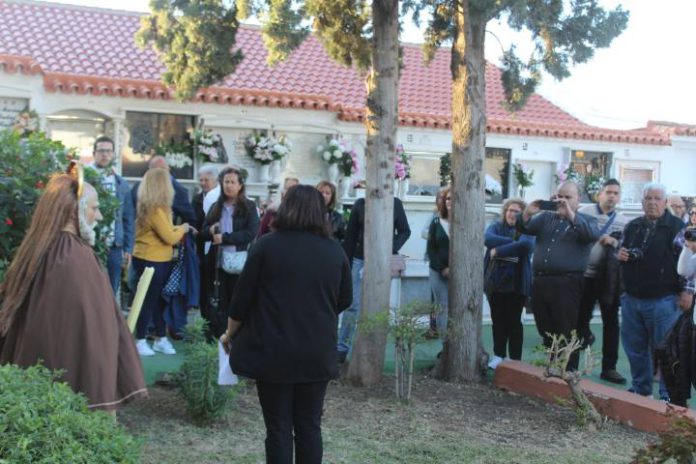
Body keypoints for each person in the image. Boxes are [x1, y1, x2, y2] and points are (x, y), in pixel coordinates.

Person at [221, 185, 352, 464]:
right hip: (316, 350)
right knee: (309, 426)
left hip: (273, 350)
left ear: (286, 208)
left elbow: (240, 301)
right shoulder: (334, 251)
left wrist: (229, 334)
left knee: (278, 428)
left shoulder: (266, 246)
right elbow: (344, 299)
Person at [0, 169, 147, 411]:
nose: (99, 216)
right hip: (61, 384)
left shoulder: (46, 246)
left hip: (34, 382)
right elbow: (88, 328)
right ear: (73, 211)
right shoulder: (72, 255)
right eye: (94, 208)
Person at [517, 181, 599, 370]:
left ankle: (568, 372)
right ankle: (552, 368)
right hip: (541, 281)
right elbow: (524, 228)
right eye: (559, 197)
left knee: (566, 330)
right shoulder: (546, 217)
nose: (561, 201)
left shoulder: (587, 220)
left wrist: (569, 213)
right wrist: (527, 213)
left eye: (567, 197)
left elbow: (589, 235)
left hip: (567, 283)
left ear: (578, 199)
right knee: (545, 327)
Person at [618, 182, 689, 401]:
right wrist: (620, 254)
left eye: (657, 198)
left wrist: (688, 291)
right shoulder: (632, 226)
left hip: (665, 300)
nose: (652, 203)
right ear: (642, 202)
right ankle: (641, 391)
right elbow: (621, 249)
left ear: (665, 202)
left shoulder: (677, 228)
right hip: (632, 298)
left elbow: (690, 261)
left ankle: (668, 396)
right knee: (635, 348)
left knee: (667, 351)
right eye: (648, 198)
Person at [337, 196, 411, 363]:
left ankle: (370, 349)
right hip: (358, 259)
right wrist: (346, 263)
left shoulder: (395, 203)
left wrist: (390, 248)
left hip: (382, 260)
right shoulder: (360, 204)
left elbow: (405, 231)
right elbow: (350, 236)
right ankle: (342, 348)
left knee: (377, 305)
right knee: (352, 305)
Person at [132, 167, 192, 356]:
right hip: (152, 259)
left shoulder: (154, 206)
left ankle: (160, 337)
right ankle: (140, 340)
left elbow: (166, 229)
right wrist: (183, 228)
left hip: (153, 258)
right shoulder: (155, 209)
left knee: (157, 300)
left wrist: (177, 228)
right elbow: (170, 237)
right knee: (149, 301)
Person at [576, 178, 629, 384]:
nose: (612, 196)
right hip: (584, 276)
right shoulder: (584, 212)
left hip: (610, 280)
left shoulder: (624, 221)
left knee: (611, 323)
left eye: (616, 193)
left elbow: (626, 248)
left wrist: (615, 241)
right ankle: (571, 364)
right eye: (608, 192)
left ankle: (609, 368)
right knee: (579, 320)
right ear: (600, 194)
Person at [200, 167, 260, 338]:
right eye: (226, 182)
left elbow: (251, 233)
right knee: (217, 299)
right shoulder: (216, 206)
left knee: (237, 299)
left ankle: (235, 335)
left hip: (239, 261)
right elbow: (203, 232)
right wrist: (210, 230)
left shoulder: (249, 207)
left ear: (240, 185)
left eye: (233, 182)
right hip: (216, 262)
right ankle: (216, 335)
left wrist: (225, 238)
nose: (229, 185)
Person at [484, 198, 534, 369]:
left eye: (517, 211)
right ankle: (499, 355)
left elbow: (527, 245)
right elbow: (487, 239)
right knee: (497, 320)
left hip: (517, 284)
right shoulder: (496, 226)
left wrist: (498, 250)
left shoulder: (528, 229)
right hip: (495, 282)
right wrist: (514, 244)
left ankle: (515, 360)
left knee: (514, 322)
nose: (512, 214)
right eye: (510, 210)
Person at [90, 135, 135, 296]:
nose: (105, 154)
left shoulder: (121, 184)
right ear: (94, 153)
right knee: (90, 289)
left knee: (111, 290)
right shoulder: (86, 179)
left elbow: (128, 218)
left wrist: (128, 248)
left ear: (113, 154)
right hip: (91, 244)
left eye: (109, 151)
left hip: (115, 246)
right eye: (101, 151)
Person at [131, 155, 196, 224]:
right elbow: (129, 212)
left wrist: (181, 229)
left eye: (162, 170)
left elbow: (189, 218)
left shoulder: (178, 190)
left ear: (168, 170)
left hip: (167, 228)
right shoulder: (138, 187)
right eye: (155, 171)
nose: (159, 175)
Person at [426, 186, 452, 344]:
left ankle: (457, 343)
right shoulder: (436, 222)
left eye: (454, 198)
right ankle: (445, 345)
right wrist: (443, 268)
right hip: (438, 272)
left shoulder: (465, 223)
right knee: (443, 307)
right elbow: (431, 249)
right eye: (448, 198)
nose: (450, 201)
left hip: (460, 274)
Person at [193, 164, 219, 232]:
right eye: (201, 180)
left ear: (216, 180)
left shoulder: (222, 198)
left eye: (206, 180)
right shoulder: (196, 199)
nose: (203, 183)